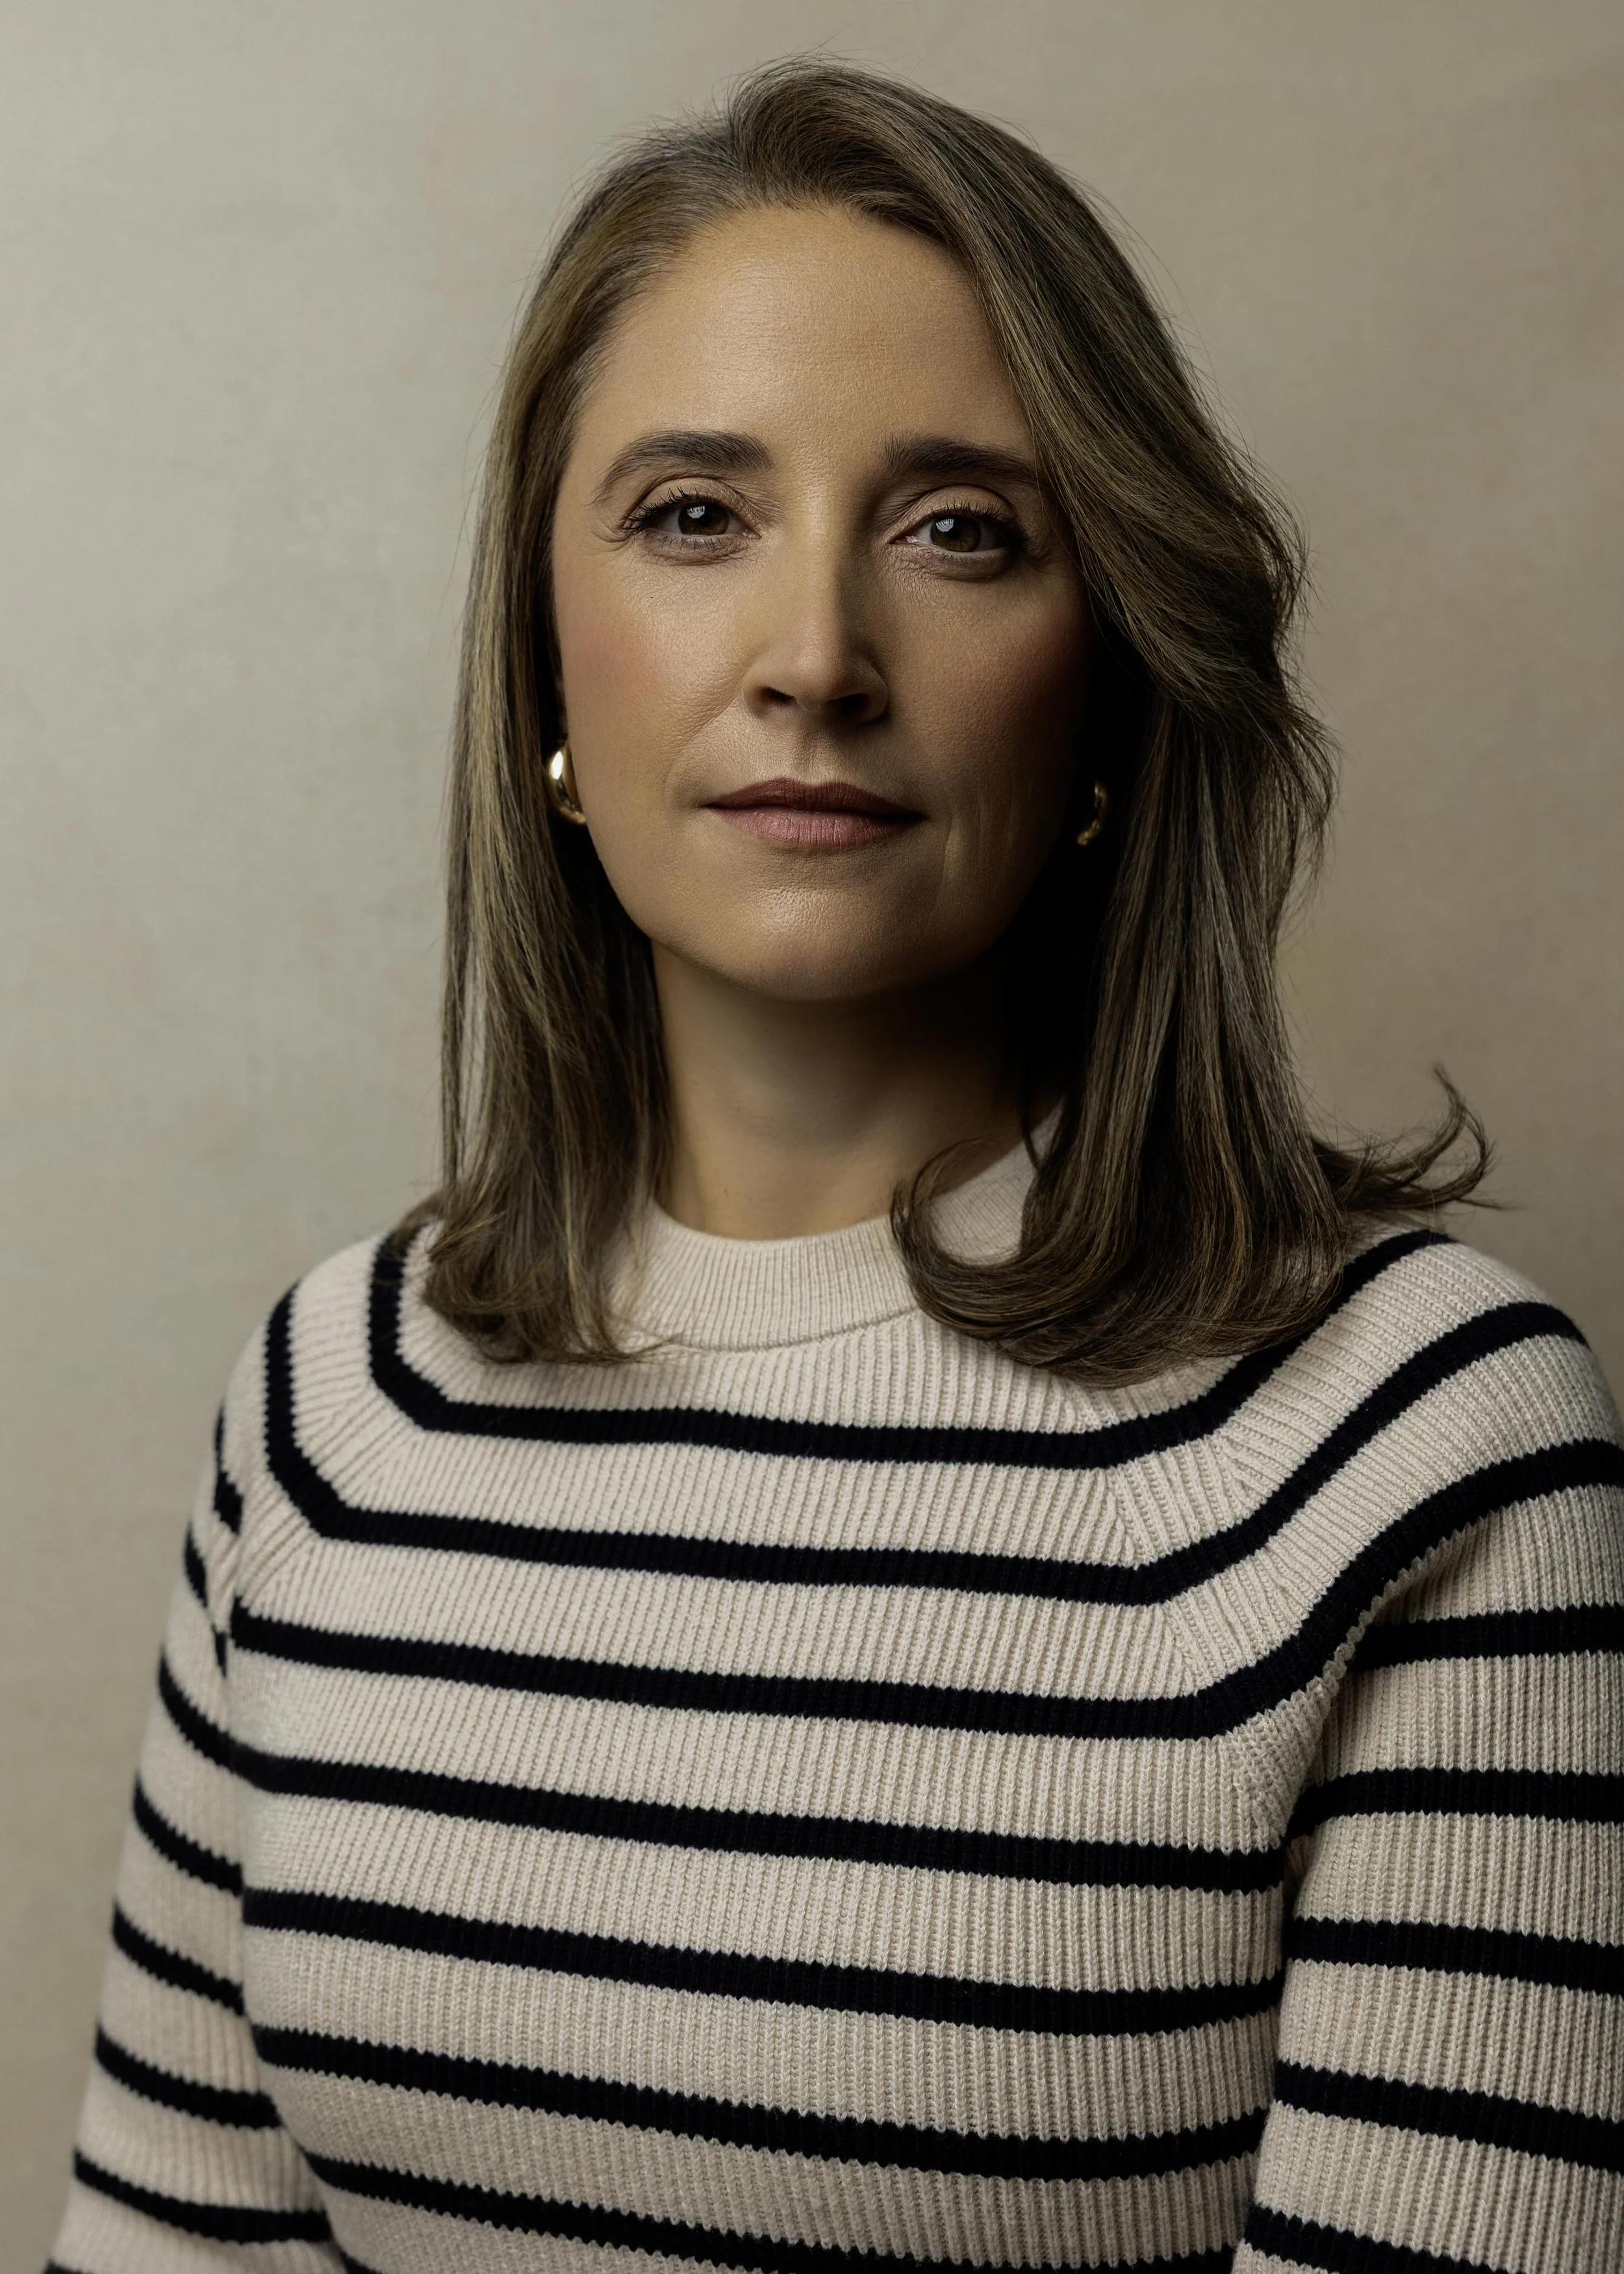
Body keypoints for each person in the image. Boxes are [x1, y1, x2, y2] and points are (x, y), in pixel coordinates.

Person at [48, 57, 1623, 2274]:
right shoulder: (337, 1399)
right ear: (546, 685)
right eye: (693, 514)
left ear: (1101, 695)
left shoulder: (1417, 1444)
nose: (813, 661)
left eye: (959, 528)